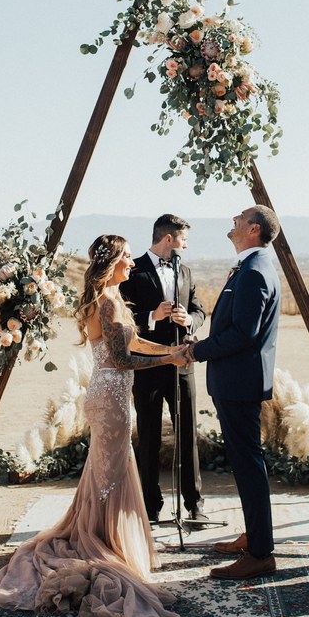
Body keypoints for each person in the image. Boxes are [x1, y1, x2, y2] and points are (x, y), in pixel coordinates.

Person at [0, 235, 186, 617]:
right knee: (111, 472)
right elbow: (121, 357)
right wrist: (171, 357)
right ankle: (108, 543)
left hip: (111, 392)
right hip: (111, 395)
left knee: (108, 470)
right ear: (113, 261)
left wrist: (170, 351)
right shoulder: (107, 301)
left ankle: (106, 535)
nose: (133, 264)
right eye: (128, 258)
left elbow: (134, 341)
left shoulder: (112, 298)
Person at [183, 205, 281, 580]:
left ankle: (260, 553)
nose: (233, 222)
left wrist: (196, 350)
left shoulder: (255, 272)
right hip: (236, 381)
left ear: (253, 229)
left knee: (248, 466)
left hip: (240, 385)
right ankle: (255, 536)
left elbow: (244, 334)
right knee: (245, 465)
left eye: (239, 219)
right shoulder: (250, 267)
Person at [119, 214, 206, 525]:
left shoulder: (185, 271)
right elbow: (123, 318)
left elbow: (199, 309)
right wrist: (152, 316)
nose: (185, 244)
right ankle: (149, 504)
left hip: (182, 365)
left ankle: (194, 505)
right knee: (150, 436)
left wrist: (190, 320)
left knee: (188, 435)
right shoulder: (133, 271)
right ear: (168, 239)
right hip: (149, 367)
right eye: (182, 238)